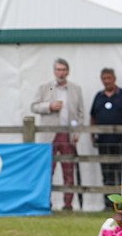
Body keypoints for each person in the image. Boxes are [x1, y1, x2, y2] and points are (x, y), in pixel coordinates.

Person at [30, 58, 85, 211]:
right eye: (58, 70)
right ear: (54, 72)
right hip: (49, 135)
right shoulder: (46, 87)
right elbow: (33, 106)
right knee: (48, 169)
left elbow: (80, 113)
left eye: (63, 70)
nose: (61, 73)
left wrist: (77, 131)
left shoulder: (76, 89)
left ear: (68, 71)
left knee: (69, 170)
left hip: (67, 133)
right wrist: (49, 106)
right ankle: (45, 202)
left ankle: (68, 204)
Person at [90, 67, 122, 201]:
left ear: (114, 78)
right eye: (104, 79)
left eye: (109, 78)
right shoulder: (98, 97)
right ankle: (109, 202)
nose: (107, 81)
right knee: (107, 171)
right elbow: (93, 117)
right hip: (104, 141)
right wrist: (92, 134)